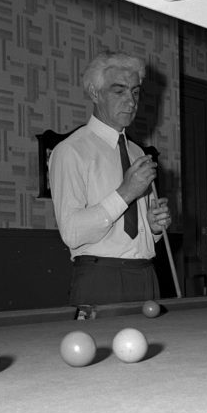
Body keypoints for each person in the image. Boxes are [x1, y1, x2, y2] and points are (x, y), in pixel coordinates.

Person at [48, 51, 171, 318]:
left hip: (146, 275)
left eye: (136, 92)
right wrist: (125, 193)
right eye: (119, 91)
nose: (131, 101)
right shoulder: (70, 151)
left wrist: (153, 227)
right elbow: (71, 232)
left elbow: (141, 237)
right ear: (94, 92)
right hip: (100, 279)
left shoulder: (138, 153)